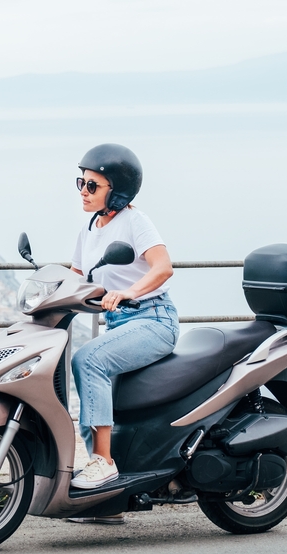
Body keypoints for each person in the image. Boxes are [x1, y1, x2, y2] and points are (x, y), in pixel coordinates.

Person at [69, 144, 180, 500]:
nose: (84, 192)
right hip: (119, 326)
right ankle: (108, 497)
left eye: (93, 186)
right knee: (85, 381)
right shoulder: (90, 228)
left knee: (88, 360)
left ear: (115, 192)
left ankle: (103, 461)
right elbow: (75, 274)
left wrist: (127, 292)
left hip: (153, 320)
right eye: (81, 183)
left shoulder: (135, 222)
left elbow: (163, 267)